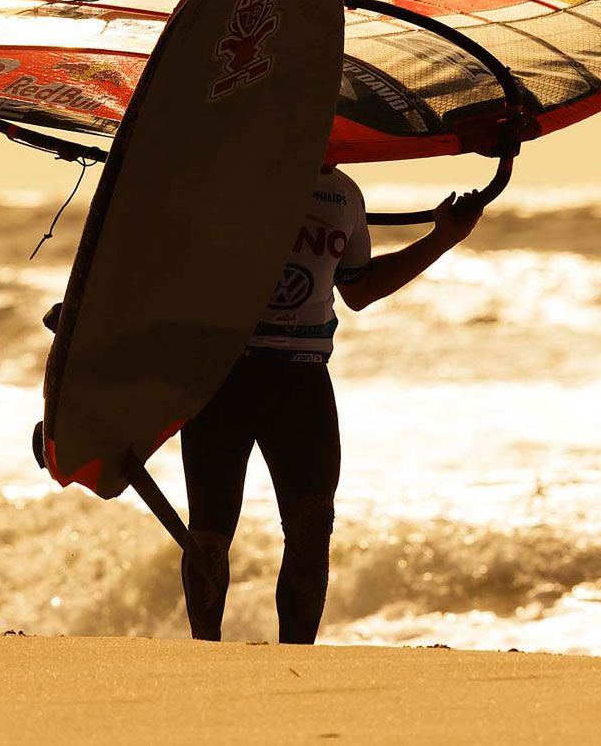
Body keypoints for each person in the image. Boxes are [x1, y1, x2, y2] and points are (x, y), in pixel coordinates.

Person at [180, 165, 484, 644]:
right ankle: (203, 656)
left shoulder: (342, 196)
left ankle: (295, 660)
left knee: (312, 526)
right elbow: (159, 266)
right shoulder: (226, 172)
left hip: (302, 380)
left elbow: (359, 289)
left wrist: (442, 239)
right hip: (222, 376)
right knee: (210, 532)